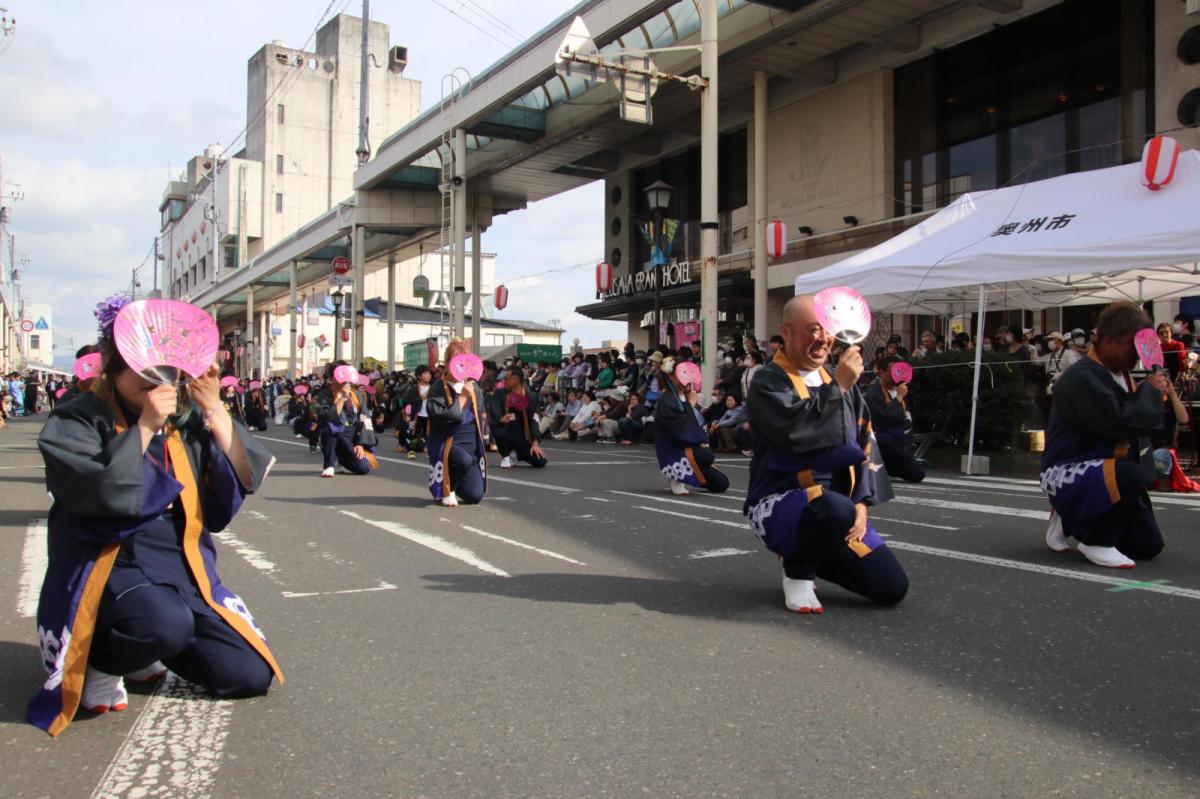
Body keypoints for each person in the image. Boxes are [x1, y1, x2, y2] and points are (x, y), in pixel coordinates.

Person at [29, 296, 281, 736]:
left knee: (246, 674)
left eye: (168, 373)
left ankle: (146, 643)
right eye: (145, 374)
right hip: (111, 558)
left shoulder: (183, 418)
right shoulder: (79, 417)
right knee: (163, 624)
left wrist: (214, 408)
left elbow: (238, 479)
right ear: (114, 364)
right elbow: (98, 494)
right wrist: (144, 427)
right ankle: (103, 660)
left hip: (183, 558)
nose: (159, 383)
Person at [743, 295, 909, 614]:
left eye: (826, 330)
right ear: (787, 333)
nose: (822, 339)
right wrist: (840, 389)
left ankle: (806, 552)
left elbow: (865, 442)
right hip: (783, 500)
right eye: (813, 329)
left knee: (890, 586)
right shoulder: (767, 381)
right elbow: (796, 437)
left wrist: (862, 503)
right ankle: (798, 573)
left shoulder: (836, 379)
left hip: (839, 508)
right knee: (834, 507)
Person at [1041, 302, 1169, 568]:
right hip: (1069, 469)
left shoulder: (1121, 374)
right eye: (1130, 347)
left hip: (1105, 469)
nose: (1135, 354)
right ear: (1108, 341)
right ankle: (1095, 539)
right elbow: (1117, 422)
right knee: (1132, 475)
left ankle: (1071, 518)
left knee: (1147, 545)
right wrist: (1150, 391)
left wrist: (1152, 390)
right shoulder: (1080, 377)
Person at [653, 356, 729, 496]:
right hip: (676, 448)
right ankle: (676, 477)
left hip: (691, 443)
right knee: (705, 455)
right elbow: (678, 426)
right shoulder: (666, 399)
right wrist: (691, 405)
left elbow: (696, 421)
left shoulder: (686, 396)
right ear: (670, 376)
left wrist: (702, 439)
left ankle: (690, 474)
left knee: (722, 483)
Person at [426, 340, 489, 507]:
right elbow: (440, 417)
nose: (461, 368)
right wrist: (462, 398)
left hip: (469, 444)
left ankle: (456, 477)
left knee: (474, 495)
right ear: (447, 364)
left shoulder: (474, 387)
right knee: (462, 459)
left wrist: (485, 439)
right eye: (457, 363)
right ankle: (448, 488)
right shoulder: (437, 388)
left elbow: (481, 415)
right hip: (447, 441)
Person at [863, 357, 925, 483]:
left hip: (897, 445)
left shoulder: (899, 391)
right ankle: (876, 466)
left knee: (917, 474)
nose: (896, 375)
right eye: (892, 371)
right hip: (878, 442)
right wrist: (899, 398)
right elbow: (885, 417)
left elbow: (905, 419)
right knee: (885, 440)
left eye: (898, 372)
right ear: (881, 373)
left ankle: (887, 468)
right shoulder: (873, 393)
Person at [314, 362, 378, 479]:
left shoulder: (357, 395)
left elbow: (365, 419)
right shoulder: (325, 395)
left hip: (351, 437)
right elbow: (329, 417)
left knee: (363, 468)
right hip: (333, 434)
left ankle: (342, 460)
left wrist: (360, 443)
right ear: (332, 378)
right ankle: (329, 465)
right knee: (329, 428)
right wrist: (341, 398)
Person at [488, 370, 547, 469]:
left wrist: (535, 443)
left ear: (516, 380)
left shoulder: (530, 397)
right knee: (497, 430)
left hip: (520, 438)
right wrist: (500, 418)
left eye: (506, 379)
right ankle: (506, 455)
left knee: (540, 461)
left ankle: (515, 453)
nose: (503, 381)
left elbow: (534, 420)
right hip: (505, 432)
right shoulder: (500, 393)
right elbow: (494, 411)